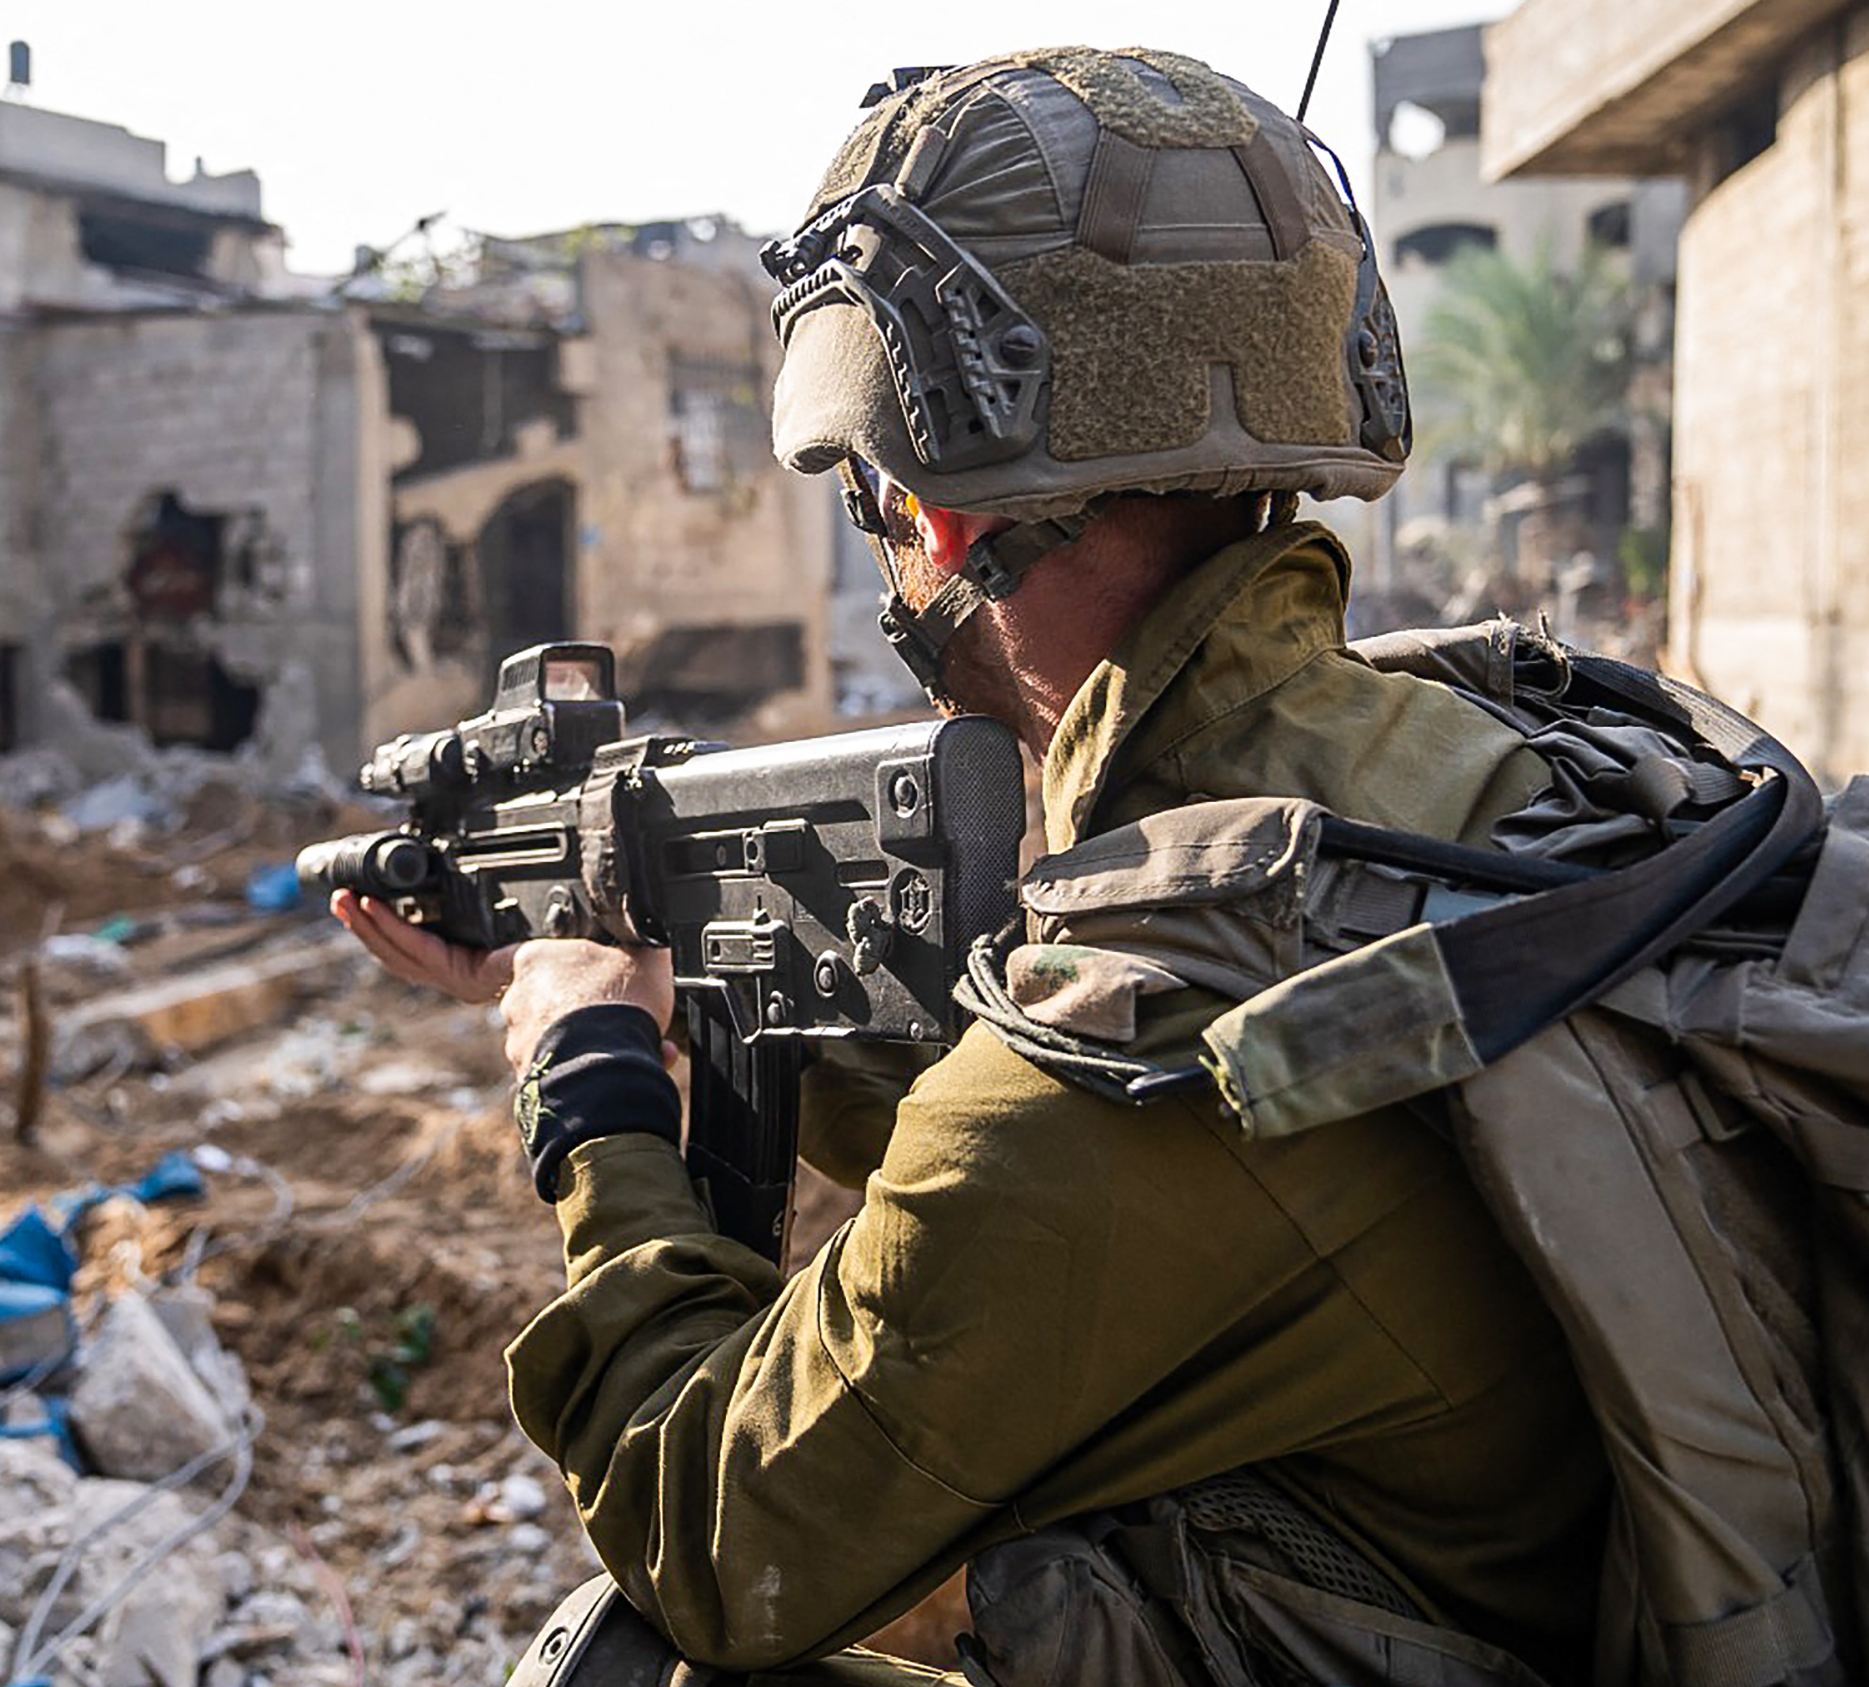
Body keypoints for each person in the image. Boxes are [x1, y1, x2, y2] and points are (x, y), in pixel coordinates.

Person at [334, 47, 1609, 1685]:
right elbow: (1012, 1125)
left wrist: (588, 1081)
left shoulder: (1154, 1044)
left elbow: (720, 1536)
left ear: (930, 516)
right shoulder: (1459, 765)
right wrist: (639, 972)